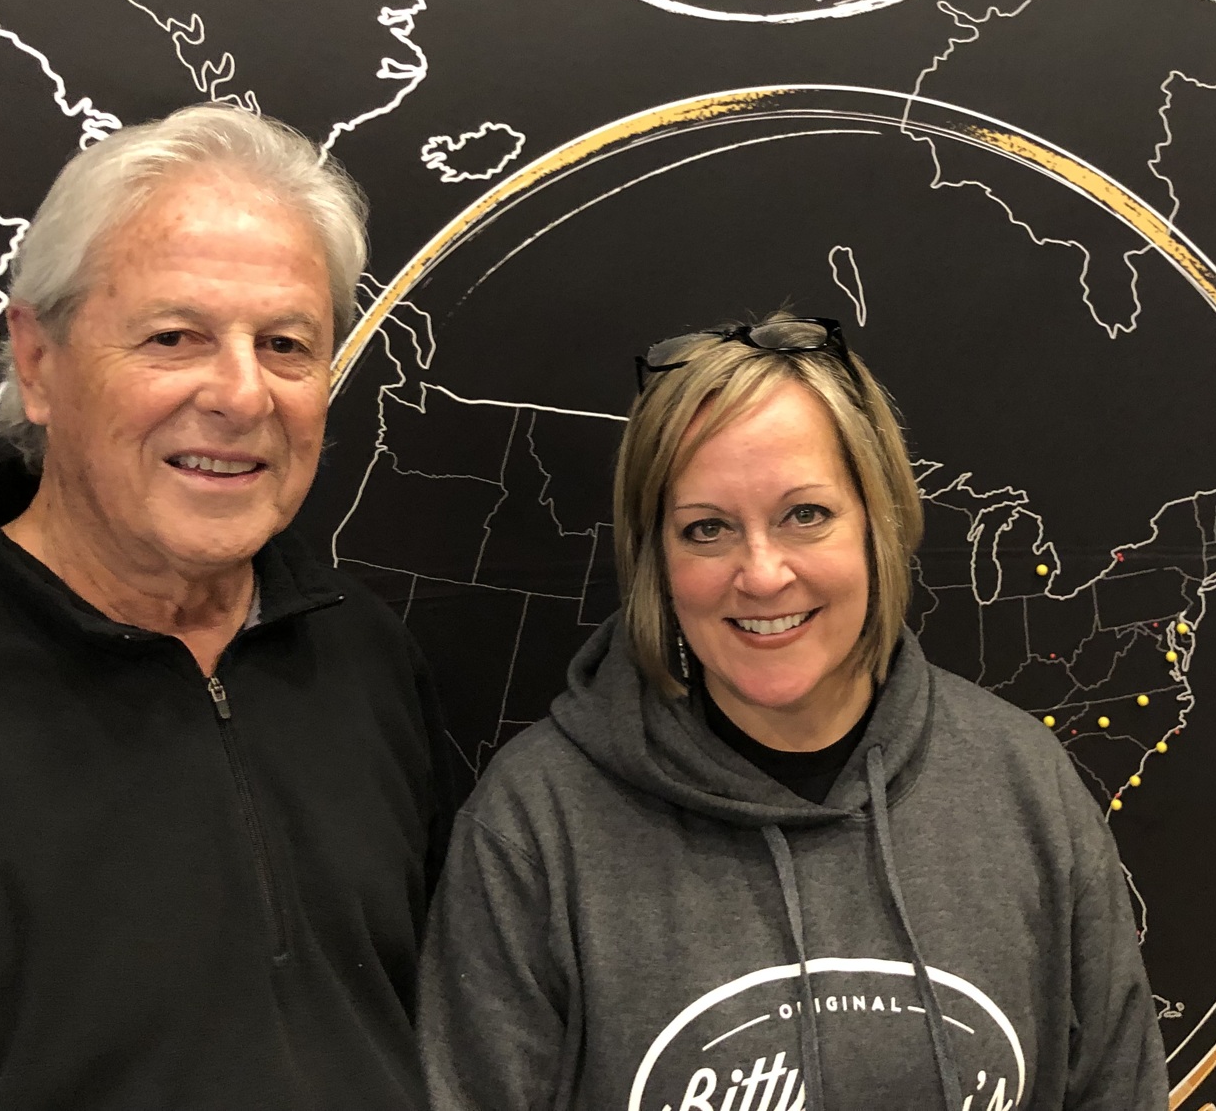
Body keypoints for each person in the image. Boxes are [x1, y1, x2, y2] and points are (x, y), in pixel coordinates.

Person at [0, 105, 455, 1110]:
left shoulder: (362, 659)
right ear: (39, 360)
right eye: (174, 336)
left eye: (285, 344)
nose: (241, 395)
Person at [420, 316, 1167, 1111]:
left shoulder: (1026, 790)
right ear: (657, 562)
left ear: (880, 521)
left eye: (805, 514)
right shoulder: (534, 828)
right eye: (706, 529)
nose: (763, 574)